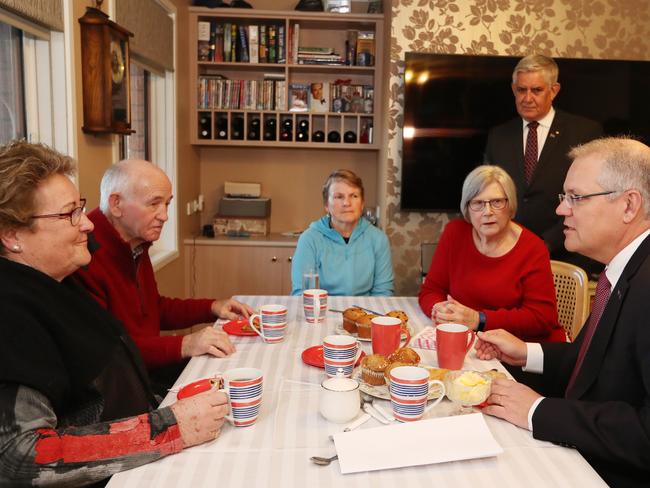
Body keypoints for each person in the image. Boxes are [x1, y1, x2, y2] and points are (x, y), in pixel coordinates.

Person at [0, 140, 228, 486]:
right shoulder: (11, 314)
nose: (88, 225)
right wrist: (169, 427)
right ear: (12, 235)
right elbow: (22, 454)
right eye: (69, 214)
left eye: (81, 208)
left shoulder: (53, 285)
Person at [475, 137, 650, 487]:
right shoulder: (625, 270)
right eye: (563, 198)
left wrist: (537, 411)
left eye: (576, 197)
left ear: (629, 205)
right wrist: (525, 353)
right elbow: (593, 366)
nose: (561, 210)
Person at [74, 159, 253, 394]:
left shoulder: (135, 242)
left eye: (167, 204)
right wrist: (185, 343)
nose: (165, 216)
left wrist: (212, 307)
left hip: (144, 372)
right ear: (116, 204)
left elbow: (154, 309)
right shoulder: (82, 256)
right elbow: (108, 353)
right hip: (121, 390)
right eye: (154, 204)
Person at [484, 54, 603, 277]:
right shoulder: (498, 135)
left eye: (536, 90)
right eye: (521, 90)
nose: (527, 98)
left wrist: (547, 242)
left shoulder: (585, 132)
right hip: (508, 255)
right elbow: (489, 193)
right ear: (513, 89)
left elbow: (591, 196)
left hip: (564, 256)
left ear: (554, 90)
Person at [419, 165, 565, 342]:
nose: (487, 212)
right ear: (467, 208)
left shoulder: (533, 248)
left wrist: (478, 320)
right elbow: (431, 290)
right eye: (478, 203)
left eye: (497, 202)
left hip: (522, 350)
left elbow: (541, 319)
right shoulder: (454, 234)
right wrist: (439, 309)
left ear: (510, 205)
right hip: (473, 342)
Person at [291, 169, 394, 296]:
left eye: (354, 196)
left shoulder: (378, 239)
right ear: (326, 205)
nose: (347, 203)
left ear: (362, 204)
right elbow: (303, 293)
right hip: (322, 311)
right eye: (339, 197)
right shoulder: (309, 239)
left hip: (365, 313)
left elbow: (383, 293)